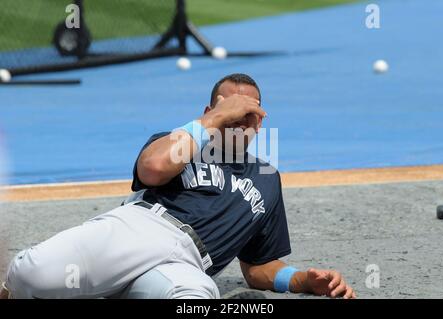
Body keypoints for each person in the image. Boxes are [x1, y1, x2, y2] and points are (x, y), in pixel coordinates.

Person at [1, 73, 355, 299]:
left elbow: (259, 268)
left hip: (188, 266)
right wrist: (216, 118)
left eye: (249, 113)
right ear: (207, 112)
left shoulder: (267, 179)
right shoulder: (178, 142)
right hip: (141, 229)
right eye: (229, 109)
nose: (238, 119)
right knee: (30, 278)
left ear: (259, 124)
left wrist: (302, 280)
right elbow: (154, 167)